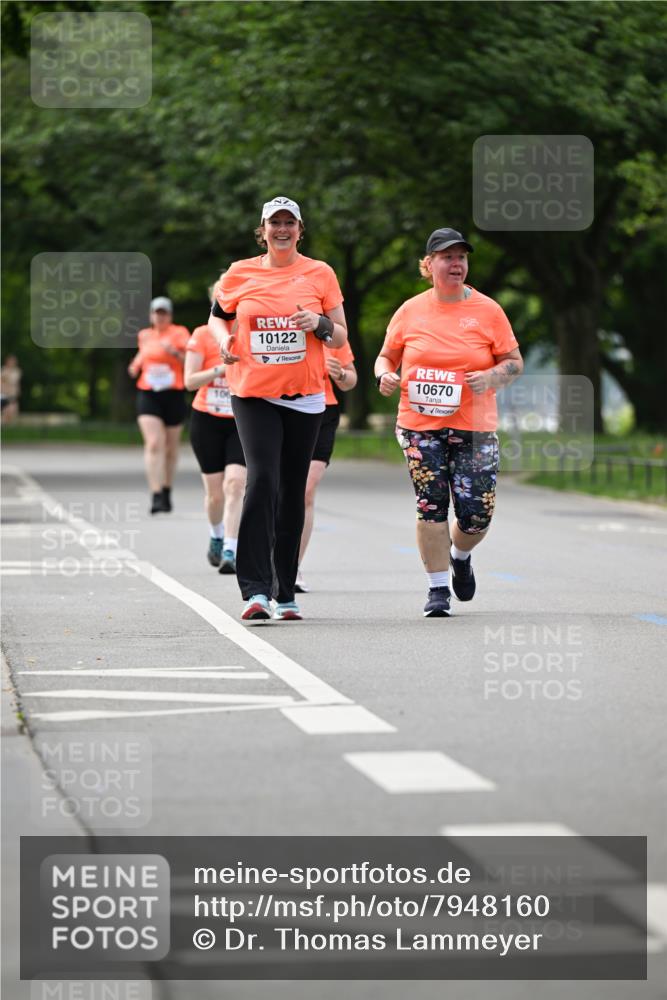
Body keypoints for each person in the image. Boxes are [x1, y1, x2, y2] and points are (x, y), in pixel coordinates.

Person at [208, 196, 348, 621]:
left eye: (290, 223)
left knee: (291, 492)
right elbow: (218, 316)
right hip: (253, 392)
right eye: (275, 223)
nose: (282, 229)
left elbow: (340, 336)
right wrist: (224, 340)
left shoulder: (320, 273)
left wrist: (318, 324)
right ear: (263, 230)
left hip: (306, 397)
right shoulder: (239, 272)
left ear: (300, 230)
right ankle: (255, 590)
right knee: (262, 480)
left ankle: (285, 591)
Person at [374, 227, 523, 617]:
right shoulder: (410, 310)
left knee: (476, 513)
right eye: (447, 257)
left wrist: (491, 377)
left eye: (461, 257)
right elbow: (386, 357)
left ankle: (460, 555)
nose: (456, 264)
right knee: (431, 505)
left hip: (475, 426)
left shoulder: (488, 311)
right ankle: (437, 589)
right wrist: (384, 375)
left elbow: (513, 363)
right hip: (419, 425)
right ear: (429, 264)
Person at [184, 285, 247, 574]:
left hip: (240, 419)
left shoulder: (248, 333)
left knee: (235, 483)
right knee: (215, 495)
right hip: (206, 419)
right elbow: (189, 381)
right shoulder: (201, 335)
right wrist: (221, 370)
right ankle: (216, 533)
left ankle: (231, 549)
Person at [295, 343, 357, 593]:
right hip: (282, 408)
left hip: (323, 410)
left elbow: (350, 380)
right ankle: (270, 558)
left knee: (305, 491)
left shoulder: (331, 332)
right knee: (278, 490)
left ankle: (292, 566)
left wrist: (340, 374)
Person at [128, 297, 189, 514]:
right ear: (151, 315)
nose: (160, 317)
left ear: (170, 316)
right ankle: (155, 495)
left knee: (171, 448)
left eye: (163, 313)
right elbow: (142, 355)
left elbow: (191, 361)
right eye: (156, 313)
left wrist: (174, 352)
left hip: (173, 394)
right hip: (149, 393)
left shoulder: (180, 333)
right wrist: (134, 366)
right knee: (154, 443)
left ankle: (166, 489)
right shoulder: (145, 335)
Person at [0, 355, 22, 424]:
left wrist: (18, 391)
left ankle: (5, 425)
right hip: (4, 394)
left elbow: (17, 383)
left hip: (12, 395)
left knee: (13, 411)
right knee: (6, 411)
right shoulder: (3, 370)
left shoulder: (17, 371)